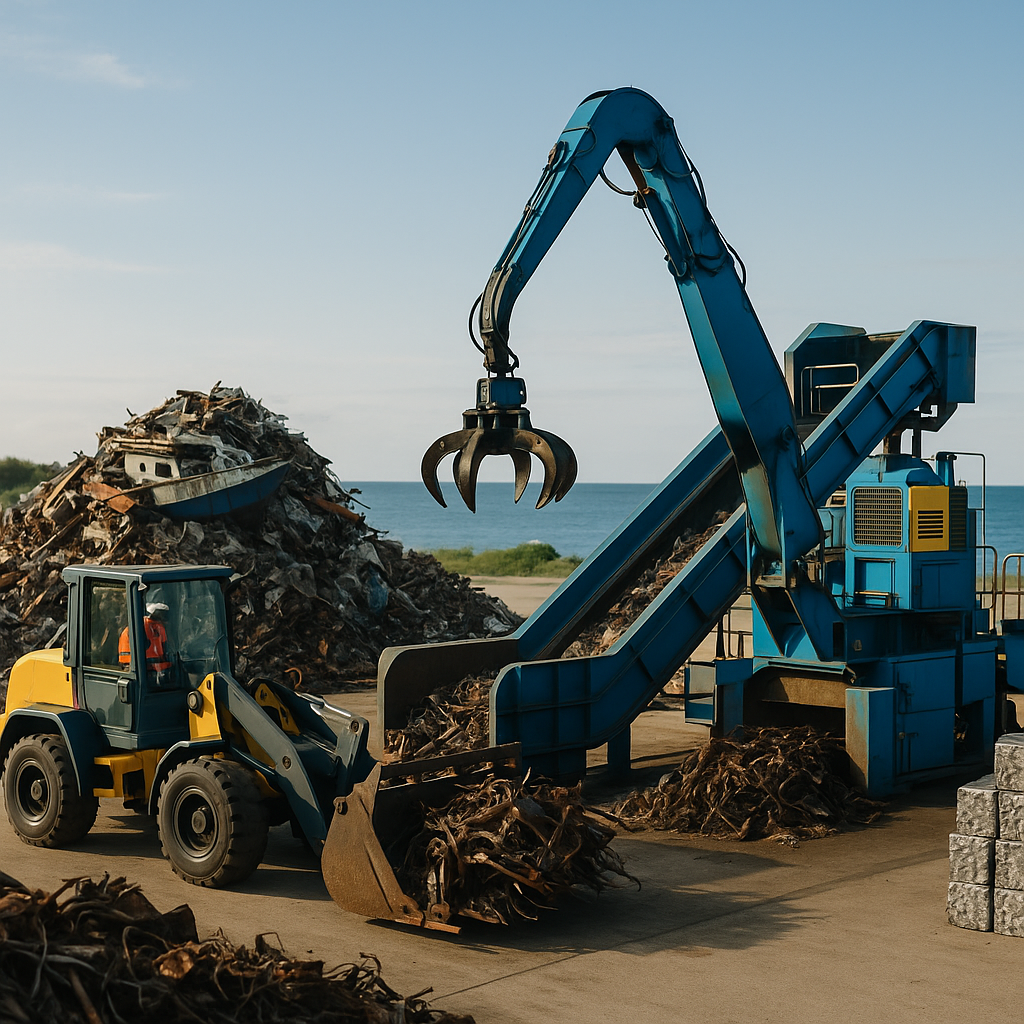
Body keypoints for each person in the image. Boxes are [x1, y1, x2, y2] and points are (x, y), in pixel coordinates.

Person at [118, 602, 172, 684]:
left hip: (127, 668)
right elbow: (166, 650)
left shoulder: (135, 624)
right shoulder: (157, 628)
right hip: (149, 669)